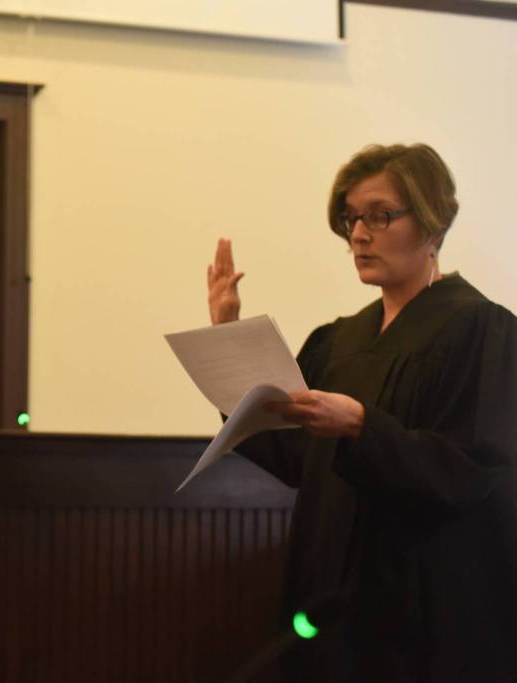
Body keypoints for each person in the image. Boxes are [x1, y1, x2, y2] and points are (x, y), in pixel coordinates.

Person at [207, 144, 517, 682]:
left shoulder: (479, 330)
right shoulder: (340, 341)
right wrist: (228, 343)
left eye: (379, 215)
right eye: (351, 218)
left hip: (422, 604)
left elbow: (469, 471)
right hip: (331, 597)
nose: (358, 234)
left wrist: (361, 426)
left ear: (433, 224)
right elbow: (292, 454)